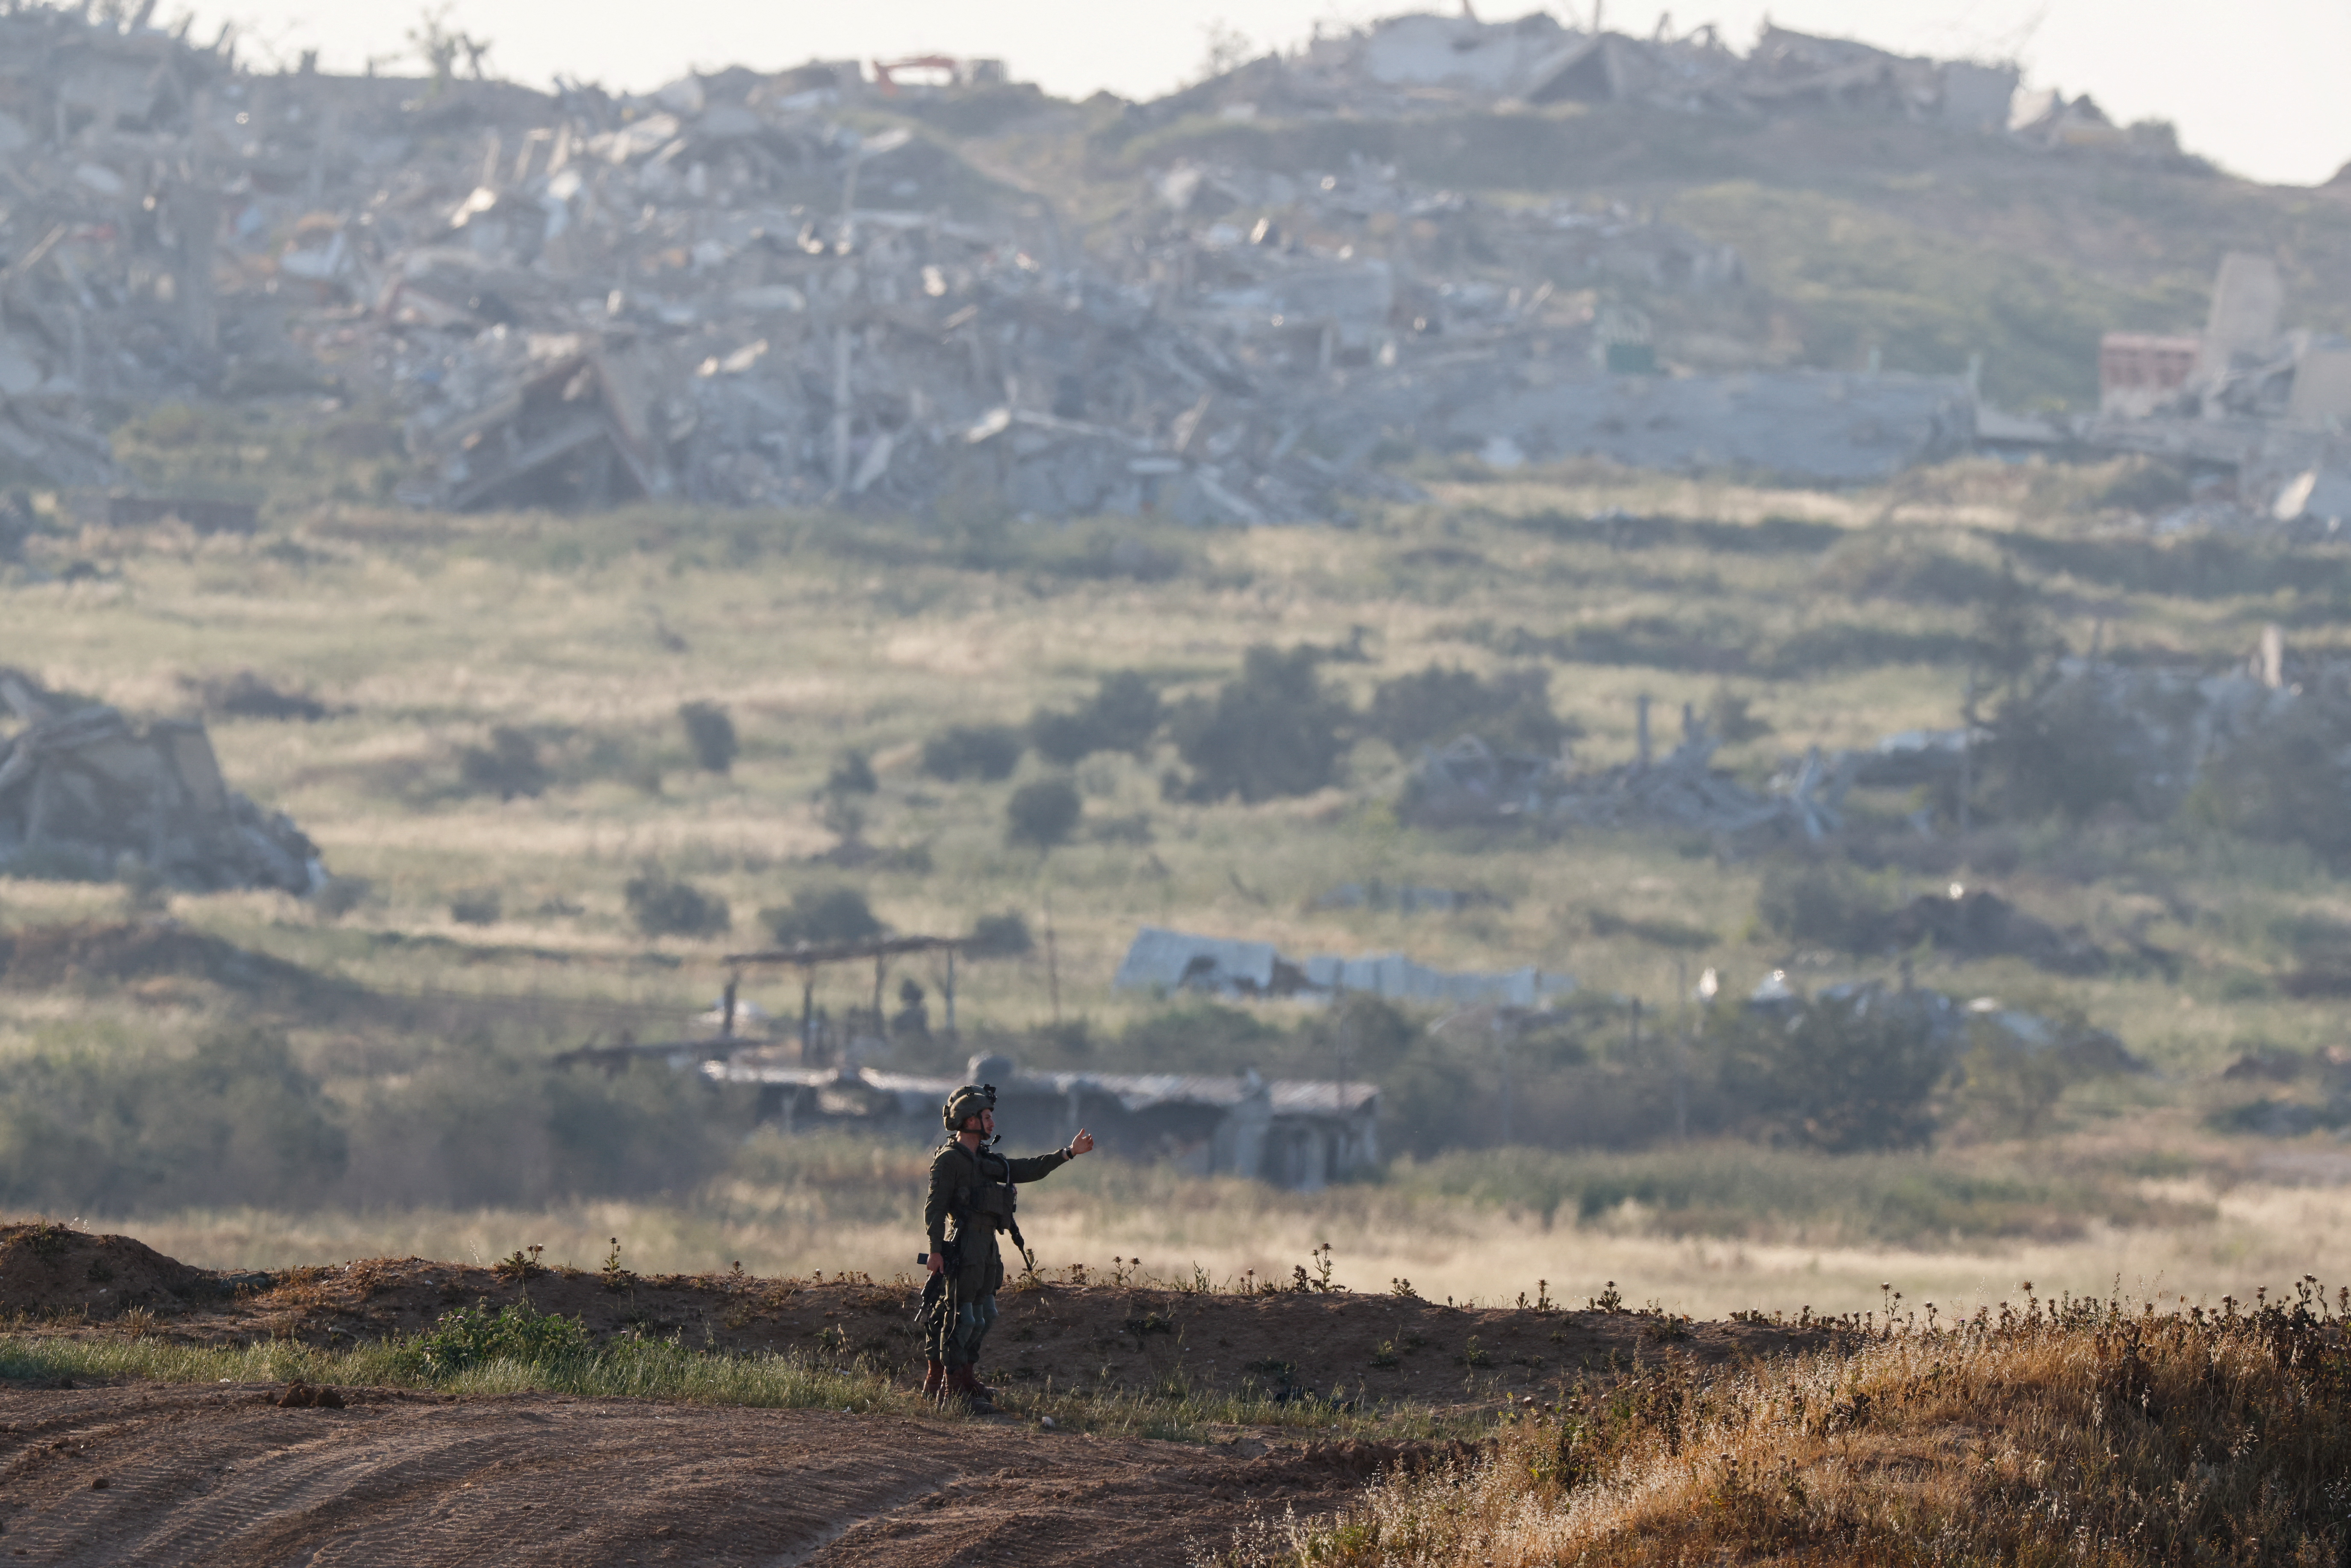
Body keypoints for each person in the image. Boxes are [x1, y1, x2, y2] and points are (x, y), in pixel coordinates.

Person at [922, 1083, 1094, 1412]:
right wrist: (935, 1250)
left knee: (985, 1314)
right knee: (961, 1316)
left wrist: (1067, 1153)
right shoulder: (949, 1161)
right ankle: (950, 1390)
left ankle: (967, 1379)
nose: (992, 1123)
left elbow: (1027, 1168)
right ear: (970, 1120)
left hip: (987, 1245)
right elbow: (935, 1207)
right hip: (965, 1244)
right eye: (986, 1117)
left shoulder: (985, 1159)